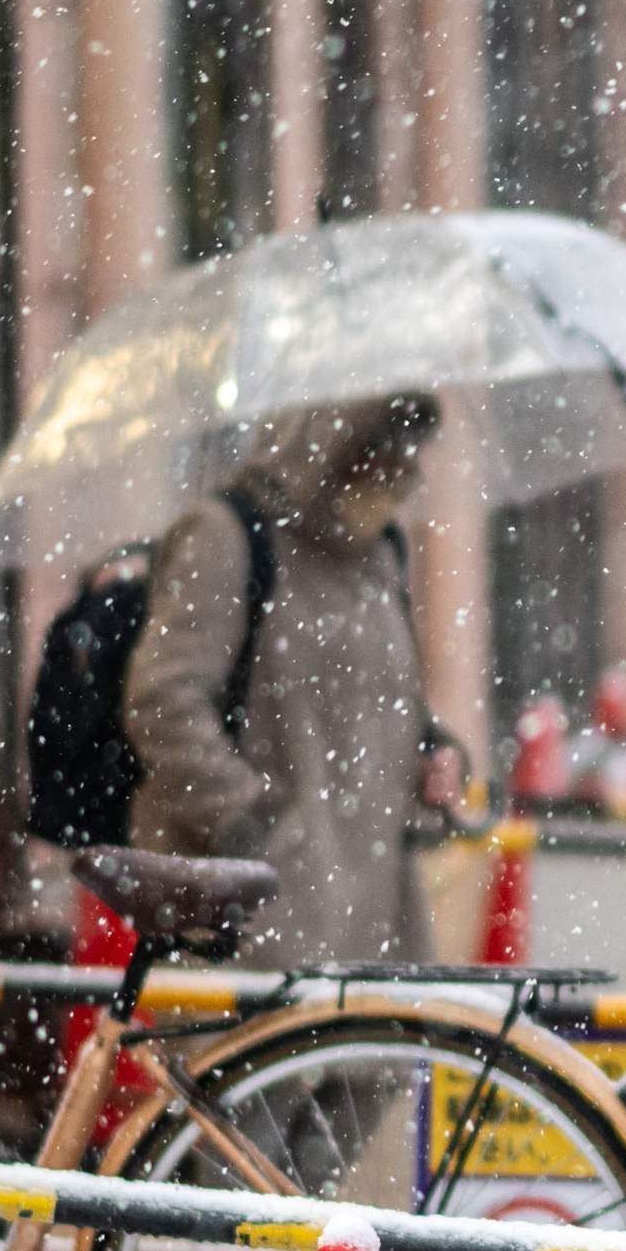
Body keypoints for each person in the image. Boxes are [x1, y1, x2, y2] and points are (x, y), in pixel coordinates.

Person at [121, 393, 450, 965]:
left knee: (378, 1051)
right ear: (332, 443)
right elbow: (162, 701)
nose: (403, 472)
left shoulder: (381, 553)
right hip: (261, 922)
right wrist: (255, 825)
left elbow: (395, 702)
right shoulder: (228, 535)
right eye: (384, 448)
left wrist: (437, 755)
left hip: (375, 915)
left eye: (409, 449)